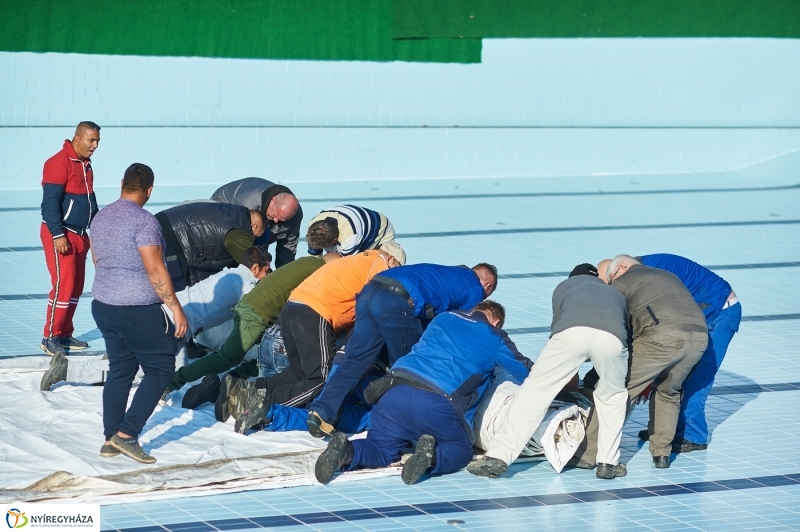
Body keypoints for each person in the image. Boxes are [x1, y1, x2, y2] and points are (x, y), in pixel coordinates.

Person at [314, 301, 533, 486]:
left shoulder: (443, 318)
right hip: (438, 403)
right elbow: (527, 373)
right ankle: (431, 457)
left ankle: (347, 452)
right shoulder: (495, 336)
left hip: (394, 392)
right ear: (496, 322)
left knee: (380, 448)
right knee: (460, 449)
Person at [467, 264, 630, 480]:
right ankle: (608, 463)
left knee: (535, 392)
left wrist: (567, 375)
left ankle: (499, 456)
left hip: (571, 333)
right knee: (613, 397)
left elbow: (559, 330)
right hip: (613, 339)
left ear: (573, 277)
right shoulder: (615, 292)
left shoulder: (565, 286)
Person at [306, 262, 499, 437]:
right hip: (398, 301)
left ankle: (322, 413)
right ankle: (396, 426)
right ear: (487, 285)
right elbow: (462, 326)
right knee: (409, 368)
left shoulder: (447, 272)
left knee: (355, 360)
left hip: (370, 291)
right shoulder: (475, 288)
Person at [229, 245, 406, 434]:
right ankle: (261, 401)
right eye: (399, 268)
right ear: (391, 259)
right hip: (315, 312)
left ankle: (244, 389)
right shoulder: (381, 268)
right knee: (321, 378)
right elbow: (375, 311)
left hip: (293, 306)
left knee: (298, 373)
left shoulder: (360, 260)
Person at [40, 247, 271, 391]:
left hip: (174, 320)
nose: (268, 277)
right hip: (174, 324)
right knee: (144, 372)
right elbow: (257, 309)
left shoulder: (230, 273)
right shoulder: (246, 283)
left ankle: (123, 356)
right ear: (255, 268)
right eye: (267, 271)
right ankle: (68, 369)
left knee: (172, 376)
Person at [90, 163, 188, 464]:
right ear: (150, 190)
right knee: (160, 370)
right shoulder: (145, 221)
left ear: (122, 183)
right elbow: (155, 268)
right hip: (136, 311)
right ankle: (127, 434)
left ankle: (110, 438)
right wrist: (176, 309)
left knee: (121, 370)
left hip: (103, 305)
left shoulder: (100, 217)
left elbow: (97, 260)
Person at [571, 255, 708, 469]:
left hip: (662, 337)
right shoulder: (667, 276)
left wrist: (592, 371)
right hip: (699, 339)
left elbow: (616, 328)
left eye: (610, 277)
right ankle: (662, 453)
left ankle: (586, 454)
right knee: (668, 392)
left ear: (622, 268)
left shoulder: (623, 282)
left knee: (616, 392)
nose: (611, 282)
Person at [163, 252, 341, 410]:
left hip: (260, 314)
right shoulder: (318, 270)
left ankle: (227, 383)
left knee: (268, 355)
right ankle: (173, 382)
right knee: (227, 357)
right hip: (256, 314)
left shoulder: (306, 262)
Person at [633, 254, 741, 452]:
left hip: (720, 313)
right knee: (668, 373)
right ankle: (663, 431)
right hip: (697, 314)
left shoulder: (650, 275)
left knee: (697, 377)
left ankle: (694, 436)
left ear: (621, 269)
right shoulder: (638, 272)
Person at [40, 121, 101, 357]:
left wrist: (98, 227)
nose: (95, 145)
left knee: (76, 287)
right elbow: (50, 203)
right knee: (63, 286)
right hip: (61, 234)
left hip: (79, 234)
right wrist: (57, 234)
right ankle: (50, 337)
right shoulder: (58, 163)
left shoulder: (86, 165)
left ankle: (64, 333)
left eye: (97, 141)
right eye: (91, 140)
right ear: (77, 139)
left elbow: (90, 200)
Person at [155, 201, 266, 290]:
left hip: (167, 225)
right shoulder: (239, 232)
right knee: (176, 286)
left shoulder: (233, 213)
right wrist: (266, 281)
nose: (253, 239)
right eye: (255, 236)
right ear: (254, 226)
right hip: (173, 235)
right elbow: (251, 263)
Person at [211, 177, 302, 268]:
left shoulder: (294, 215)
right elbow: (240, 247)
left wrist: (284, 273)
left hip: (259, 224)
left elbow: (287, 251)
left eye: (282, 219)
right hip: (220, 214)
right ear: (272, 200)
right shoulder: (247, 206)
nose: (276, 220)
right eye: (274, 214)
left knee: (261, 252)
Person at [305, 205, 397, 258]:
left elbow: (346, 266)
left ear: (335, 240)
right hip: (357, 223)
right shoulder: (313, 227)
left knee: (376, 264)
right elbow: (313, 257)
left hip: (381, 232)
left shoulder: (350, 235)